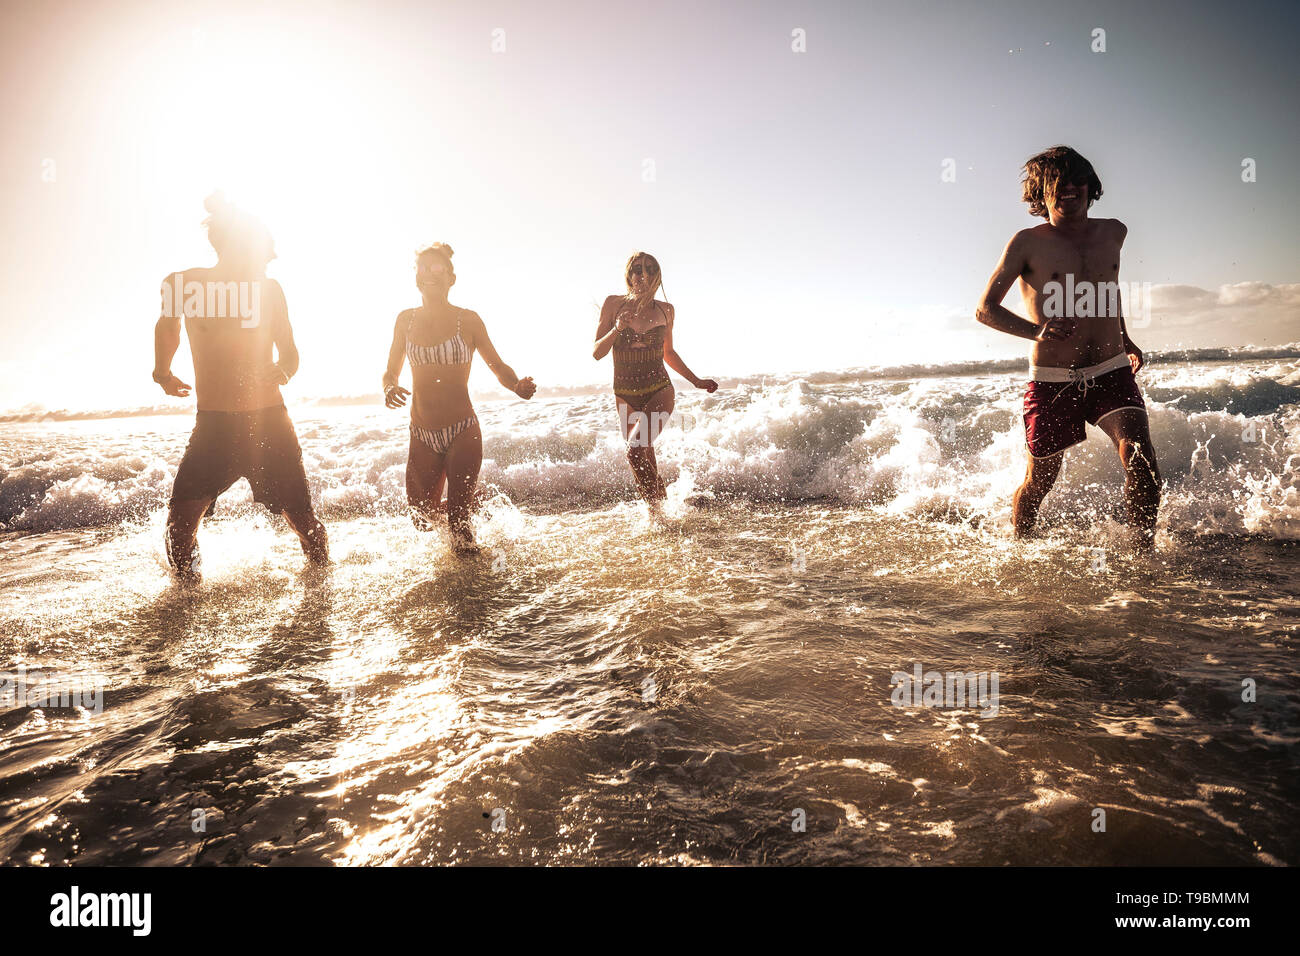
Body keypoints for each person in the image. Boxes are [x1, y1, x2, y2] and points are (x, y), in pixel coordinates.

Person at [976, 146, 1161, 548]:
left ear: (1091, 187)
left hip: (1111, 369)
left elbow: (1106, 290)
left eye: (1078, 181)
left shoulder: (1114, 232)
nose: (1069, 190)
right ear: (1040, 193)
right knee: (1039, 483)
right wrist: (1036, 332)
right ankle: (1020, 548)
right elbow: (985, 310)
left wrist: (1124, 336)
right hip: (1052, 379)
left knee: (1141, 458)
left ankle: (1143, 555)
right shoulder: (1026, 243)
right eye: (1057, 184)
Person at [153, 192, 328, 581]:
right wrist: (162, 372)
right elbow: (167, 327)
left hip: (268, 423)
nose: (270, 259)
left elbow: (291, 353)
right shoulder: (183, 284)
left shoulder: (270, 291)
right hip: (213, 426)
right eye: (265, 249)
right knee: (179, 526)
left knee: (302, 519)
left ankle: (322, 585)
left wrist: (283, 370)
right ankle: (187, 593)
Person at [382, 243, 535, 552]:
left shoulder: (469, 321)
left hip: (461, 430)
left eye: (439, 269)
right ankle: (478, 505)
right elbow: (389, 372)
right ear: (416, 278)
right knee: (421, 518)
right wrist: (389, 388)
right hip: (421, 432)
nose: (431, 274)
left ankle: (473, 589)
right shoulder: (405, 321)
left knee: (459, 532)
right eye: (424, 268)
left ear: (452, 278)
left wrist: (516, 385)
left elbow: (498, 366)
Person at [592, 252, 718, 506]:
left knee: (635, 451)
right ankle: (659, 512)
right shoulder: (613, 305)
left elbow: (668, 352)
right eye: (638, 269)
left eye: (650, 269)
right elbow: (597, 352)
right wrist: (617, 328)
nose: (643, 275)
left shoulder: (666, 310)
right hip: (625, 393)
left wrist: (695, 381)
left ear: (658, 276)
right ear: (629, 275)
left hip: (659, 389)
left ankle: (659, 517)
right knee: (644, 458)